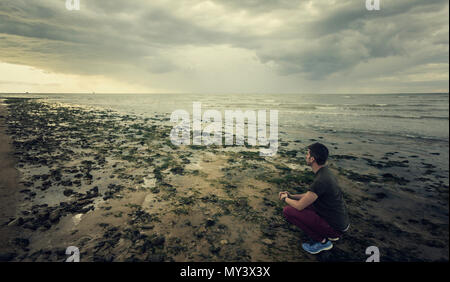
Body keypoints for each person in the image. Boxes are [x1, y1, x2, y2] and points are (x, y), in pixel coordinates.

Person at [279, 142, 350, 254]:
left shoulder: (321, 180)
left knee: (288, 211)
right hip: (339, 221)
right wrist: (291, 196)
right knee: (305, 205)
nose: (306, 157)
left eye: (307, 154)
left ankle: (323, 242)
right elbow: (309, 195)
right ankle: (327, 234)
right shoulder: (325, 172)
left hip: (336, 228)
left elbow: (299, 206)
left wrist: (284, 198)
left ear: (312, 159)